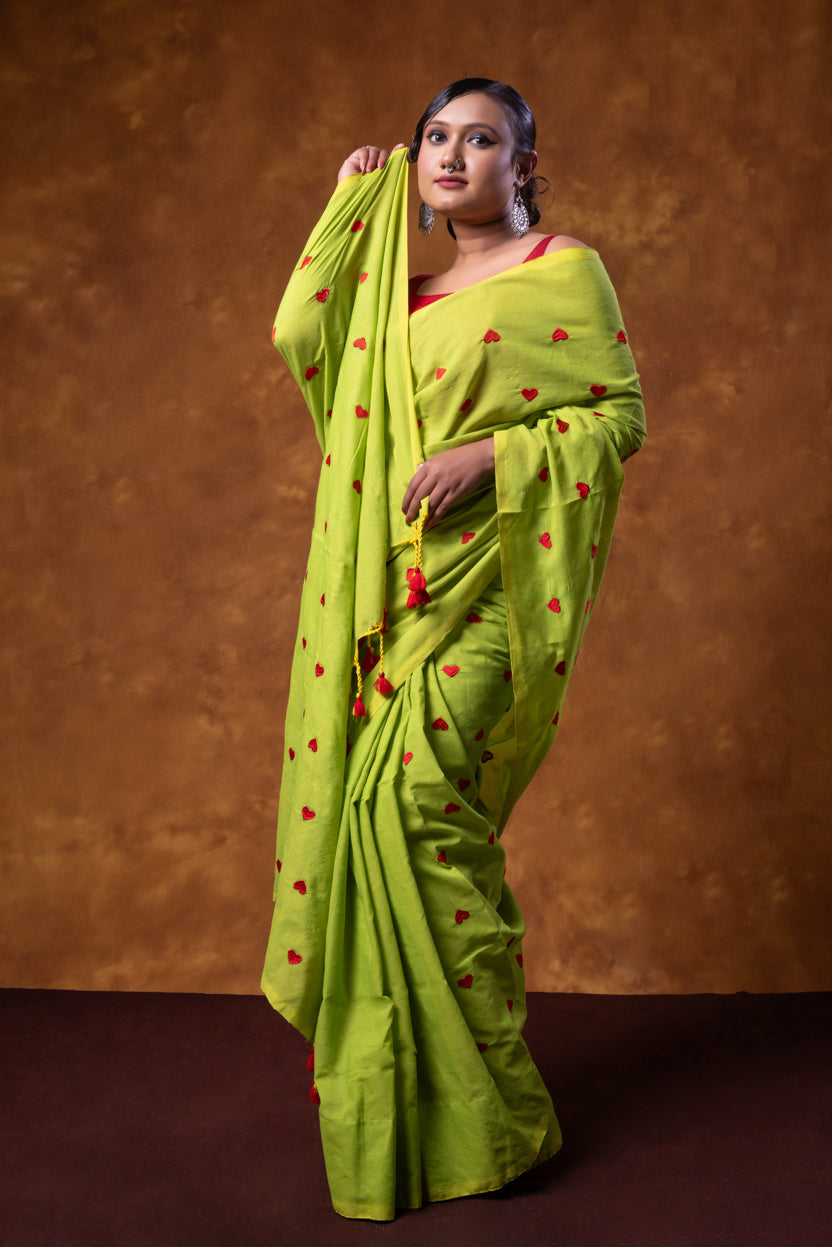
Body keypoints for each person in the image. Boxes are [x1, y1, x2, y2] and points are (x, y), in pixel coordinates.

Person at [261, 78, 645, 1221]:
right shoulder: (405, 297)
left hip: (494, 598)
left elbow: (618, 415)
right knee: (382, 833)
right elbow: (298, 335)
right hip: (402, 597)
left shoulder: (562, 271)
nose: (451, 154)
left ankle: (498, 1111)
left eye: (482, 140)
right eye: (436, 137)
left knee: (418, 815)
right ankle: (436, 1124)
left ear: (522, 165)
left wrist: (496, 459)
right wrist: (344, 211)